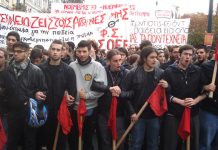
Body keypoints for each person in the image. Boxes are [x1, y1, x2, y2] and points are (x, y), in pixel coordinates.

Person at [162, 44, 208, 150]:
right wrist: (180, 101)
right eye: (185, 54)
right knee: (171, 144)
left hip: (193, 113)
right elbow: (164, 94)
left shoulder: (198, 71)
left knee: (193, 143)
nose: (188, 57)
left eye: (190, 55)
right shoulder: (169, 71)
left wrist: (195, 101)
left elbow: (205, 92)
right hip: (174, 113)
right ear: (179, 55)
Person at [3, 41, 47, 150]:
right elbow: (4, 90)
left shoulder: (36, 71)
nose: (16, 54)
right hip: (12, 113)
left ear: (27, 53)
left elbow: (43, 91)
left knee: (30, 142)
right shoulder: (7, 70)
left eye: (19, 51)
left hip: (29, 112)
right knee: (11, 141)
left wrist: (34, 98)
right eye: (14, 51)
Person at [122, 46, 168, 150]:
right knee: (136, 145)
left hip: (154, 116)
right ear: (144, 58)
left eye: (156, 57)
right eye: (152, 57)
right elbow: (125, 95)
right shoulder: (132, 73)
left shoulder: (161, 73)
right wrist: (132, 112)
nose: (155, 60)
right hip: (138, 116)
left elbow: (165, 95)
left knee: (153, 145)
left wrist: (167, 86)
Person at [69, 40, 107, 150]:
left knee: (87, 137)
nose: (81, 54)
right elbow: (67, 85)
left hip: (90, 108)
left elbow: (102, 88)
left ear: (89, 51)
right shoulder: (72, 65)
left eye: (84, 51)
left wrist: (87, 96)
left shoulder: (97, 66)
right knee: (73, 137)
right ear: (76, 51)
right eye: (79, 51)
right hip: (73, 107)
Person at [39, 39, 77, 150]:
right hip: (43, 111)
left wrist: (70, 97)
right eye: (53, 49)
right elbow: (35, 88)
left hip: (60, 112)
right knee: (44, 141)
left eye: (58, 50)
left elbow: (72, 92)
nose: (55, 52)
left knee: (60, 143)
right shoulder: (40, 69)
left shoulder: (69, 70)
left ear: (62, 52)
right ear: (49, 50)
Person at [91, 49, 129, 150]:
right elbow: (94, 85)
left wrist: (120, 93)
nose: (119, 63)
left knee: (120, 141)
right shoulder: (102, 70)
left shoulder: (126, 73)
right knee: (105, 141)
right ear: (108, 61)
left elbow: (131, 93)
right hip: (103, 112)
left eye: (120, 60)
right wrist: (109, 88)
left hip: (119, 113)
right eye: (115, 61)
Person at [199, 55, 218, 150]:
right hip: (210, 111)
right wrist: (206, 87)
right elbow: (197, 86)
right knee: (206, 143)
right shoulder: (206, 66)